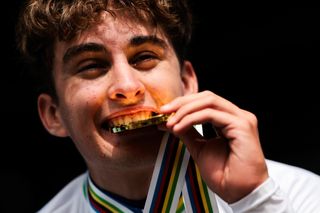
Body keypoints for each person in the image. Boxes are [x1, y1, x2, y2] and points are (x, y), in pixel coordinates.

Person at [15, 0, 320, 212]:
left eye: (145, 58)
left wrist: (254, 201)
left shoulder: (301, 195)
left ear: (187, 82)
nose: (127, 87)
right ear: (53, 115)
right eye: (92, 66)